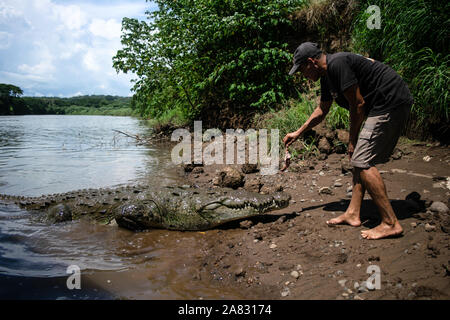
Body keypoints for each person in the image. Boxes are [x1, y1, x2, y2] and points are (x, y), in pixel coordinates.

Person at [283, 42, 414, 240]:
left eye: (302, 70)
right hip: (381, 105)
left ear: (311, 62)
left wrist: (352, 141)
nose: (303, 75)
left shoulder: (337, 64)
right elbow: (322, 110)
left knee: (361, 160)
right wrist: (298, 132)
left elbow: (358, 104)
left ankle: (390, 223)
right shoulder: (327, 76)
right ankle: (353, 213)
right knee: (359, 159)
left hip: (391, 102)